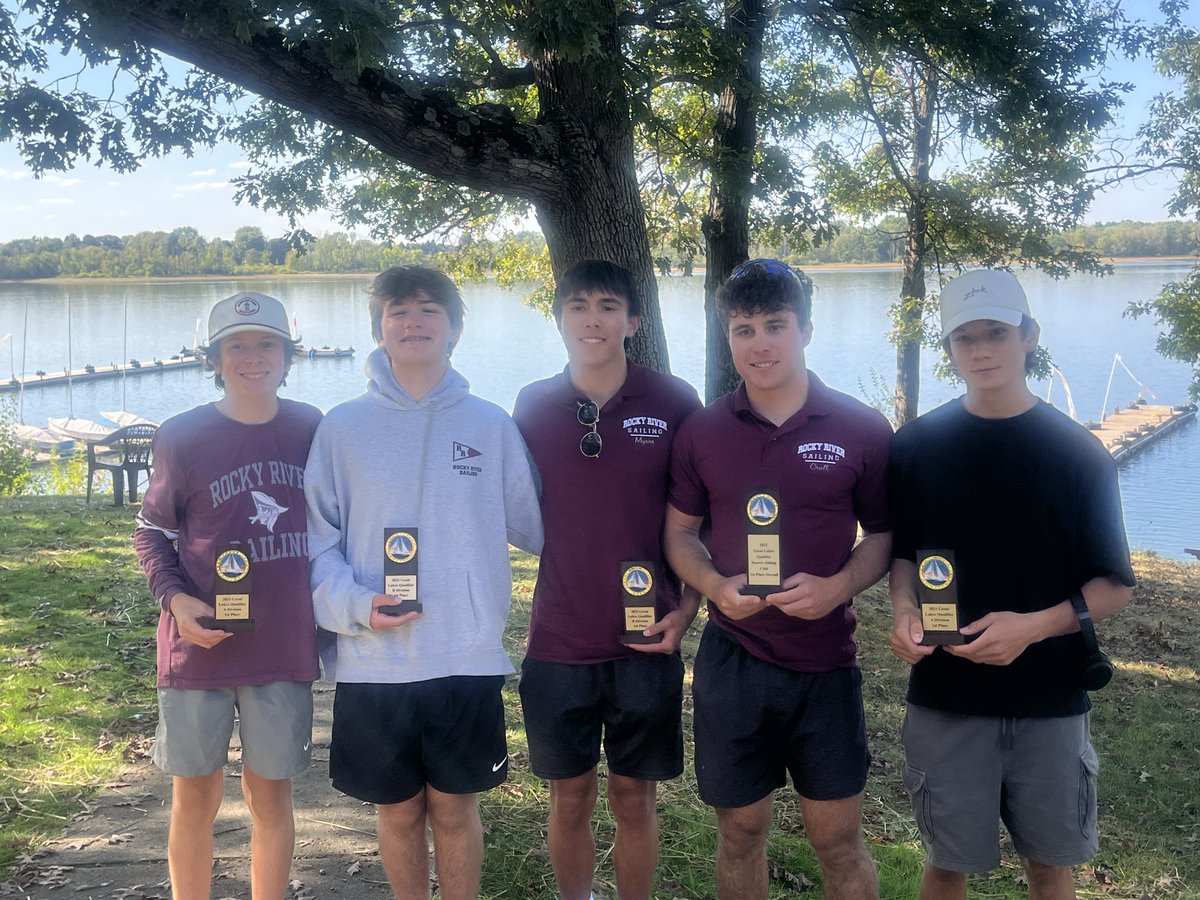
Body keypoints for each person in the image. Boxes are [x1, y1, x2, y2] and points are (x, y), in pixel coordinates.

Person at [888, 269, 1135, 900]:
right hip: (946, 695)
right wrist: (902, 612)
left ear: (1028, 335)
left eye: (996, 332)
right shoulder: (917, 446)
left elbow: (1115, 586)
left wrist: (1032, 627)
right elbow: (905, 558)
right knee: (947, 865)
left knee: (1050, 866)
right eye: (963, 338)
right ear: (948, 349)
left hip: (1048, 699)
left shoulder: (1079, 454)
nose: (981, 350)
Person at [304, 266, 543, 900]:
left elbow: (542, 529)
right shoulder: (342, 428)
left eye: (429, 310)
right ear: (379, 330)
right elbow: (316, 544)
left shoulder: (491, 425)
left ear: (456, 329)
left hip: (464, 654)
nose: (413, 321)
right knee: (398, 811)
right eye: (398, 311)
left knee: (455, 810)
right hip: (372, 659)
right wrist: (354, 606)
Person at [664, 259, 892, 900]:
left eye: (775, 325)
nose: (760, 343)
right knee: (740, 834)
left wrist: (838, 587)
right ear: (728, 338)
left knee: (839, 841)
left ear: (806, 330)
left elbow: (883, 537)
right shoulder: (701, 432)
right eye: (743, 330)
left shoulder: (861, 429)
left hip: (825, 666)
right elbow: (679, 535)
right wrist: (712, 588)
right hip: (733, 663)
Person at [512, 260, 702, 900]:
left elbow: (701, 521)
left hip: (647, 637)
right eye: (578, 305)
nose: (592, 319)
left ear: (633, 320)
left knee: (633, 797)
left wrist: (690, 608)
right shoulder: (533, 405)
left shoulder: (674, 402)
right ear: (560, 317)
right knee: (569, 797)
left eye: (607, 306)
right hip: (559, 639)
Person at [134, 291, 322, 900]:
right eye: (235, 346)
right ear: (213, 358)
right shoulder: (183, 436)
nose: (251, 356)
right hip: (200, 646)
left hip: (281, 644)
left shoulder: (312, 428)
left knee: (271, 794)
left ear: (287, 353)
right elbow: (152, 531)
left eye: (266, 343)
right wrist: (175, 600)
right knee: (196, 796)